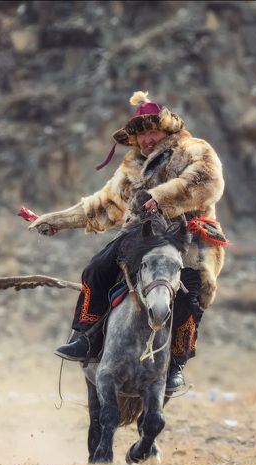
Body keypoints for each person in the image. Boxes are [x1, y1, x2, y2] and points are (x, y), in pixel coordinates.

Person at [29, 91, 227, 393]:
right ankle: (86, 337)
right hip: (141, 238)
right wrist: (56, 220)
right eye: (141, 133)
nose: (147, 139)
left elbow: (207, 182)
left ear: (167, 129)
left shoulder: (194, 150)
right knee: (95, 270)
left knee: (192, 291)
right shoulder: (132, 166)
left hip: (188, 237)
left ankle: (176, 363)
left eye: (152, 131)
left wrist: (158, 198)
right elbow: (105, 204)